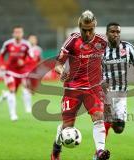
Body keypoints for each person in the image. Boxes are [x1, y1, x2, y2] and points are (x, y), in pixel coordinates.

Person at [51, 10, 110, 160]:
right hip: (73, 89)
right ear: (80, 27)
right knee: (67, 127)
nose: (88, 33)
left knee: (98, 117)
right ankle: (56, 149)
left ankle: (100, 152)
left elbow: (108, 62)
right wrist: (61, 71)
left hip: (94, 88)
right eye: (85, 30)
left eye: (91, 29)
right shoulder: (72, 40)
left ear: (95, 26)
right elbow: (58, 64)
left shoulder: (103, 41)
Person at [102, 22, 134, 136]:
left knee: (119, 129)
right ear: (107, 34)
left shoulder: (128, 48)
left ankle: (107, 122)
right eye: (112, 32)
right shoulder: (101, 50)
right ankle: (99, 150)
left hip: (122, 93)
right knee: (106, 120)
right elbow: (94, 70)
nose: (116, 34)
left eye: (118, 32)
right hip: (106, 92)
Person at [0, 25, 33, 121]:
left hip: (22, 72)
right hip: (10, 71)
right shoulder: (8, 44)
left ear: (22, 34)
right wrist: (2, 65)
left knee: (26, 89)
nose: (18, 34)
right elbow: (1, 55)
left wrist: (24, 62)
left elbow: (31, 57)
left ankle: (27, 107)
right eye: (16, 32)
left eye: (19, 32)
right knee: (12, 90)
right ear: (13, 34)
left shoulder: (26, 44)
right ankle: (13, 114)